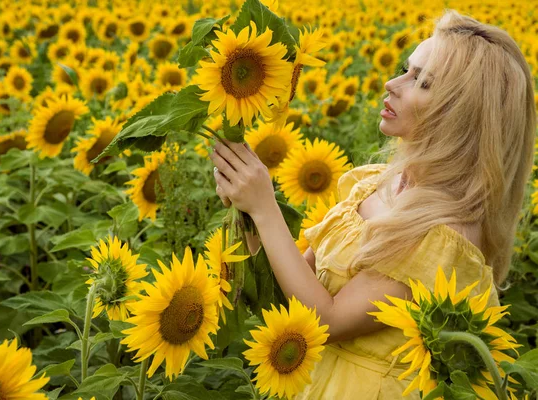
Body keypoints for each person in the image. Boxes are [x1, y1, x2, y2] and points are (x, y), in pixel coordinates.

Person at [209, 9, 536, 400]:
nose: (392, 83)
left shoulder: (443, 232)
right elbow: (297, 288)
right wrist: (247, 211)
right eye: (406, 68)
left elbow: (327, 320)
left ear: (461, 116)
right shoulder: (374, 184)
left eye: (423, 81)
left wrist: (266, 207)